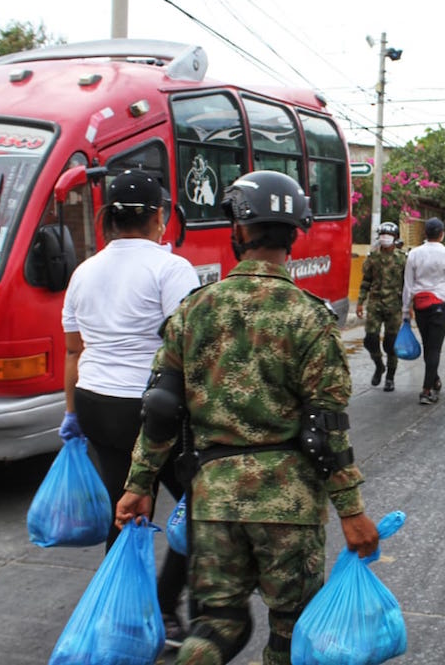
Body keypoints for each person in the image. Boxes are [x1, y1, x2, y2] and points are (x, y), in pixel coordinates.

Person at [114, 170, 378, 665]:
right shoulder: (310, 318)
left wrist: (140, 483)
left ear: (238, 230)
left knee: (218, 625)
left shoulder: (194, 310)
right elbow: (327, 434)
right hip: (288, 507)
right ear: (295, 235)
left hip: (213, 501)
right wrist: (353, 512)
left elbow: (160, 410)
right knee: (290, 633)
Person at [60, 169, 201, 648]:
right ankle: (164, 610)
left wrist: (71, 413)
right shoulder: (170, 268)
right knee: (195, 507)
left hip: (95, 402)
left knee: (125, 508)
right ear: (160, 216)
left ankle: (120, 618)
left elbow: (73, 351)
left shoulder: (84, 270)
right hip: (150, 408)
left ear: (108, 219)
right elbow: (188, 350)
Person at [402, 217, 445, 405]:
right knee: (434, 349)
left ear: (425, 234)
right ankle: (426, 390)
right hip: (440, 305)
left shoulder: (414, 254)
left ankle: (434, 381)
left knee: (429, 347)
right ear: (442, 234)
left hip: (420, 305)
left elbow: (408, 285)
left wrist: (405, 310)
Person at [356, 221, 405, 391]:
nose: (385, 238)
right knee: (370, 339)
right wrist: (360, 302)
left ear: (395, 238)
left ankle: (390, 377)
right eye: (382, 235)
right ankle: (379, 365)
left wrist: (409, 306)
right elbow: (366, 281)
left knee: (391, 344)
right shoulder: (373, 257)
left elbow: (408, 284)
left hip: (394, 306)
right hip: (375, 303)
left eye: (389, 235)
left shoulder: (403, 259)